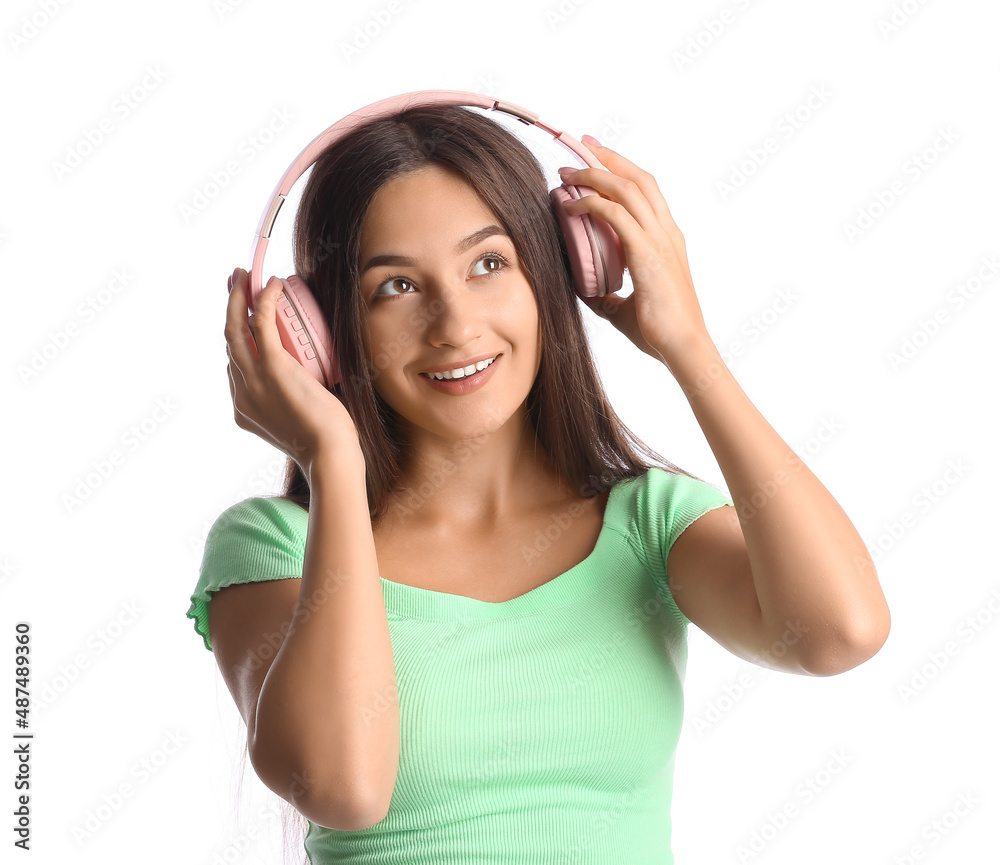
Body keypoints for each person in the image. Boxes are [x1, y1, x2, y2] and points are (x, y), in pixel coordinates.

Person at [187, 103, 891, 863]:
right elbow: (343, 786)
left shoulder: (647, 525)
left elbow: (841, 632)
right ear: (319, 330)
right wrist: (333, 461)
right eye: (395, 287)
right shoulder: (276, 546)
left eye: (488, 264)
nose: (454, 324)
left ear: (554, 272)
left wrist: (687, 344)